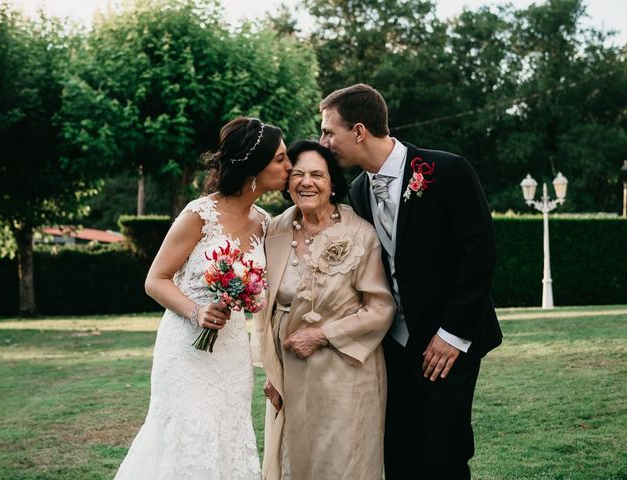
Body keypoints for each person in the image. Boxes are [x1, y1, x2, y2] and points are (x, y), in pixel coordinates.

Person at [319, 84, 503, 479]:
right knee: (399, 453)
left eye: (328, 131)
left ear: (359, 131)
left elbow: (480, 254)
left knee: (445, 455)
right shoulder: (357, 191)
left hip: (450, 343)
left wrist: (452, 333)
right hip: (394, 347)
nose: (324, 141)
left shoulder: (446, 170)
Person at [114, 117, 292, 480]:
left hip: (230, 350)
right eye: (280, 159)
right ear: (254, 166)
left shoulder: (265, 222)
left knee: (228, 432)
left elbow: (264, 294)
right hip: (186, 347)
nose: (289, 167)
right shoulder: (200, 214)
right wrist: (197, 312)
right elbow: (155, 280)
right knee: (188, 434)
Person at [257, 140, 396, 480]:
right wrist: (272, 372)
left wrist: (321, 335)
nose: (307, 182)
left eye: (317, 175)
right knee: (295, 462)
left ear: (333, 183)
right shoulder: (273, 230)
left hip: (347, 371)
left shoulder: (360, 233)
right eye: (298, 174)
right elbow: (265, 309)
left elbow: (381, 308)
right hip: (290, 372)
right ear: (288, 183)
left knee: (343, 462)